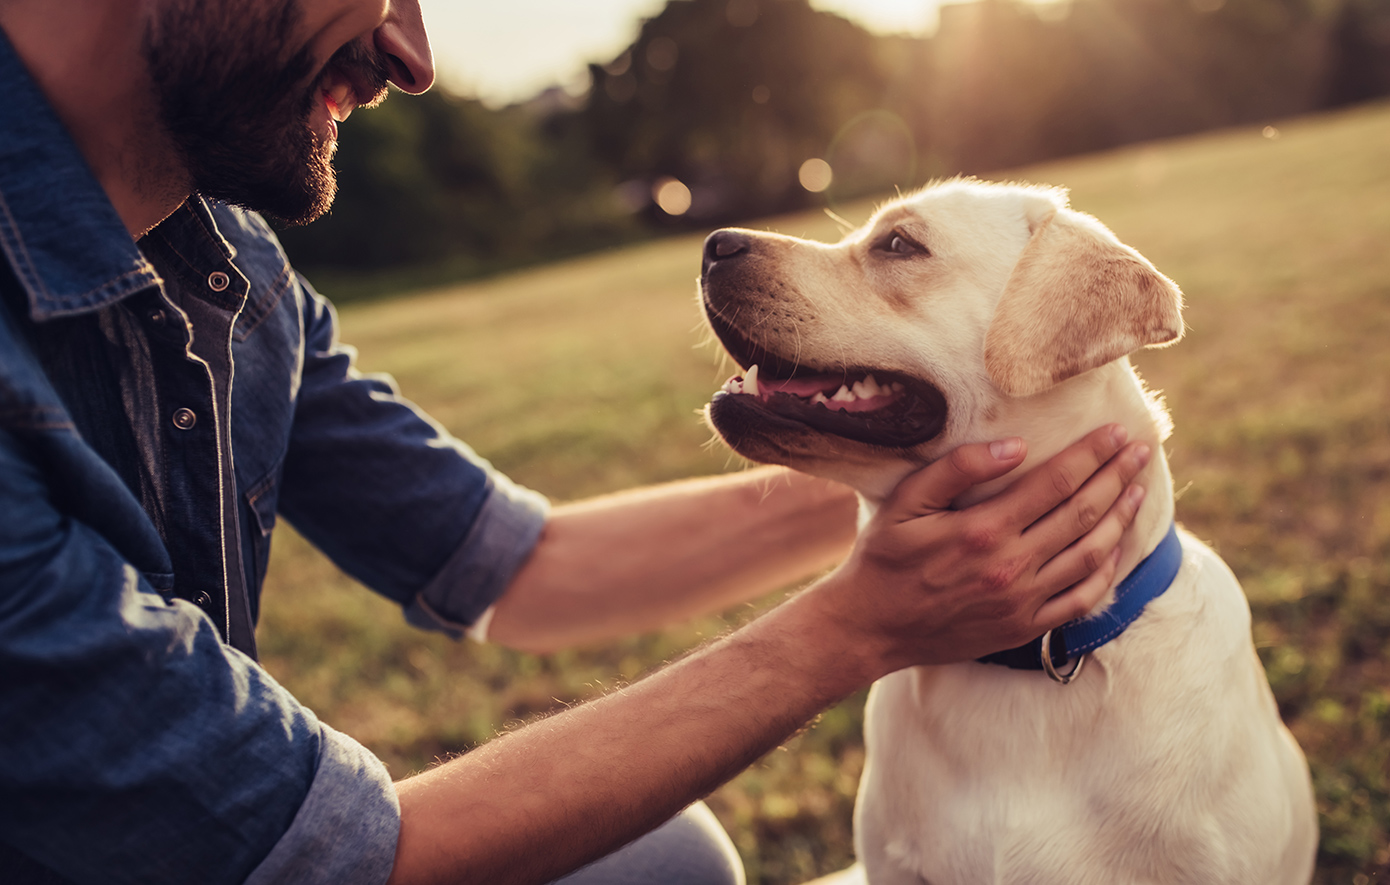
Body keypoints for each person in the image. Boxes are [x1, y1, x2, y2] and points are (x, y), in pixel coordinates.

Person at [0, 1, 1153, 883]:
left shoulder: (234, 273)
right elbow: (336, 859)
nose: (412, 53)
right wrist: (853, 627)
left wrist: (969, 468)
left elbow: (520, 565)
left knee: (668, 863)